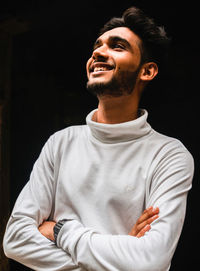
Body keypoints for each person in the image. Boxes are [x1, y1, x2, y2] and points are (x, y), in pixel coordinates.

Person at [3, 6, 194, 271]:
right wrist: (120, 254)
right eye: (97, 45)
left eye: (117, 46)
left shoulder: (169, 155)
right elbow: (15, 239)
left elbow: (150, 261)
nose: (98, 52)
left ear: (146, 71)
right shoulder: (60, 143)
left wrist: (60, 230)